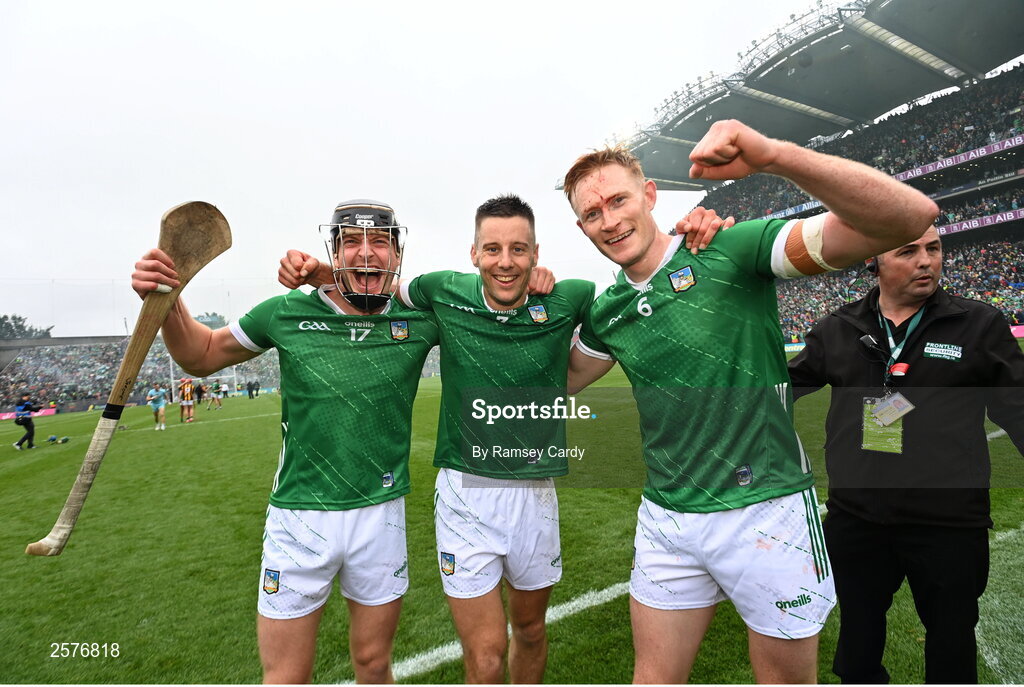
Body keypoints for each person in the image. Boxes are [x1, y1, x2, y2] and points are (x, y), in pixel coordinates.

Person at [278, 195, 729, 683]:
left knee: (531, 630)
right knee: (488, 654)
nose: (505, 261)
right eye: (492, 249)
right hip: (464, 496)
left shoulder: (571, 296)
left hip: (535, 496)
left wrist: (691, 243)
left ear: (537, 253)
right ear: (474, 254)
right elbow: (375, 290)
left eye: (519, 249)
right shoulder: (440, 291)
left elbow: (633, 300)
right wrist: (324, 271)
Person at [562, 119, 939, 683]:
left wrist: (775, 155)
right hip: (668, 520)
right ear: (581, 227)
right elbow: (556, 379)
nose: (610, 220)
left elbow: (908, 219)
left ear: (649, 195)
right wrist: (523, 290)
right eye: (593, 213)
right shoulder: (608, 311)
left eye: (618, 200)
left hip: (768, 512)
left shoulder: (731, 248)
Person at [132, 199, 440, 684]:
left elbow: (486, 302)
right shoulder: (285, 313)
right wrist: (169, 297)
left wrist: (322, 272)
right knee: (285, 677)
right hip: (298, 518)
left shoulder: (420, 317)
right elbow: (201, 353)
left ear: (398, 254)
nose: (367, 253)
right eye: (352, 242)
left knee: (375, 666)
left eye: (379, 242)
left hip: (381, 514)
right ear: (333, 251)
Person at [788, 225, 1024, 683]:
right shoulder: (838, 328)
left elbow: (1018, 409)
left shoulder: (978, 324)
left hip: (948, 523)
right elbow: (777, 389)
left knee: (952, 644)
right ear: (872, 261)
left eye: (933, 249)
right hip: (857, 520)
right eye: (908, 251)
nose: (926, 261)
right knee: (856, 646)